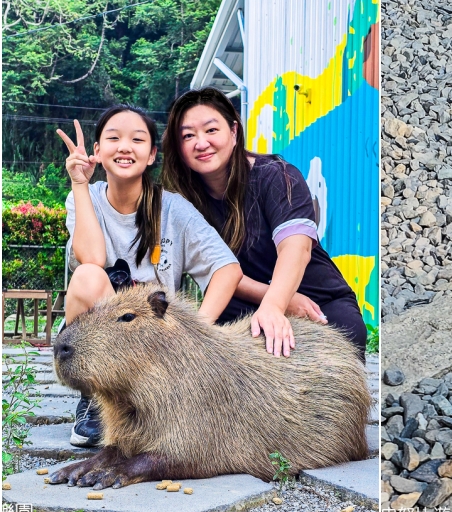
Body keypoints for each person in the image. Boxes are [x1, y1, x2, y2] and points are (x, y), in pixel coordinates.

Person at [61, 105, 243, 447]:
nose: (125, 147)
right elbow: (92, 259)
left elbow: (228, 268)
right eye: (113, 138)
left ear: (152, 154)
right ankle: (93, 397)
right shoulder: (84, 197)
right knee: (88, 276)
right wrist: (80, 184)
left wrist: (195, 332)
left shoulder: (174, 209)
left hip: (152, 343)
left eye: (137, 139)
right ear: (97, 151)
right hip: (98, 332)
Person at [160, 88, 367, 357]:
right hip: (243, 303)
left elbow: (297, 249)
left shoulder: (277, 177)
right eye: (188, 136)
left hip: (317, 298)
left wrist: (275, 305)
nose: (201, 143)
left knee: (346, 336)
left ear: (234, 132)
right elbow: (215, 271)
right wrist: (275, 302)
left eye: (211, 130)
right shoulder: (181, 202)